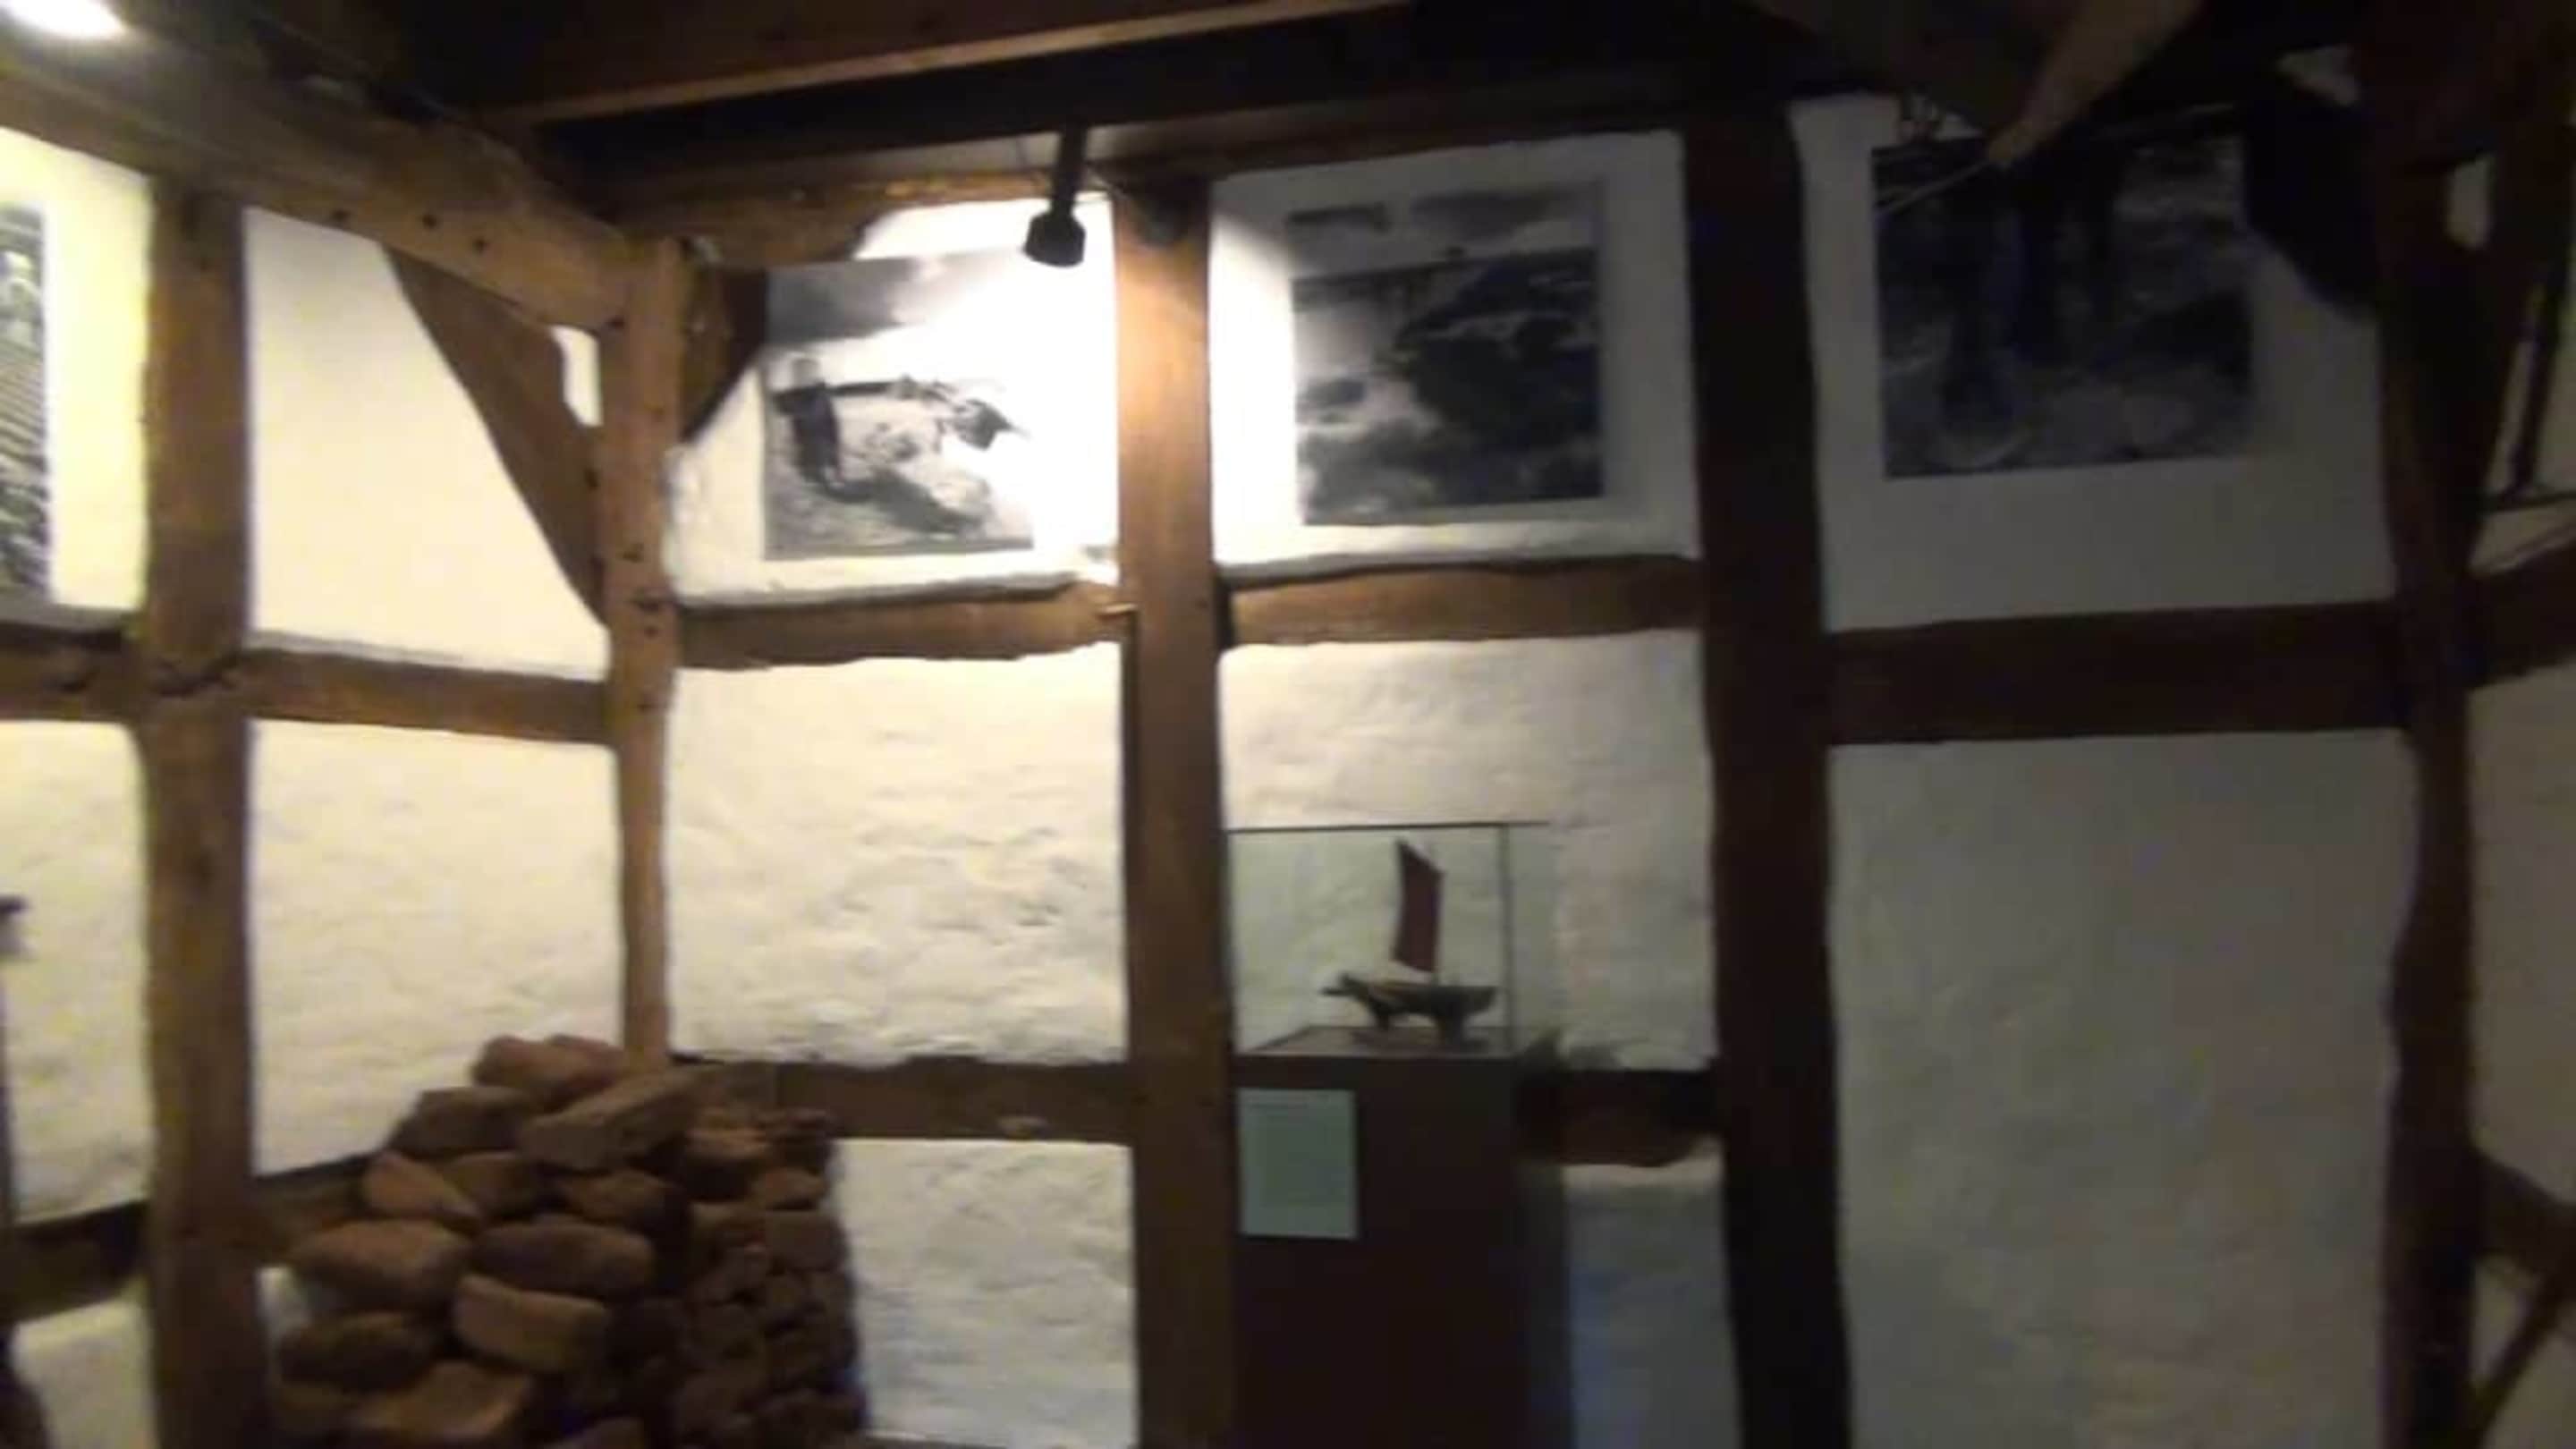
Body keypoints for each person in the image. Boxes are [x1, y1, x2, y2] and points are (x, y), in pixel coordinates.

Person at [771, 353, 846, 496]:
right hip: (812, 441)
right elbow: (785, 407)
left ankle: (832, 484)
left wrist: (784, 402)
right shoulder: (804, 393)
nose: (797, 376)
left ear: (812, 375)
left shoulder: (819, 394)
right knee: (815, 467)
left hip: (821, 440)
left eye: (801, 372)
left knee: (823, 465)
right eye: (796, 373)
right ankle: (826, 481)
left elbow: (805, 412)